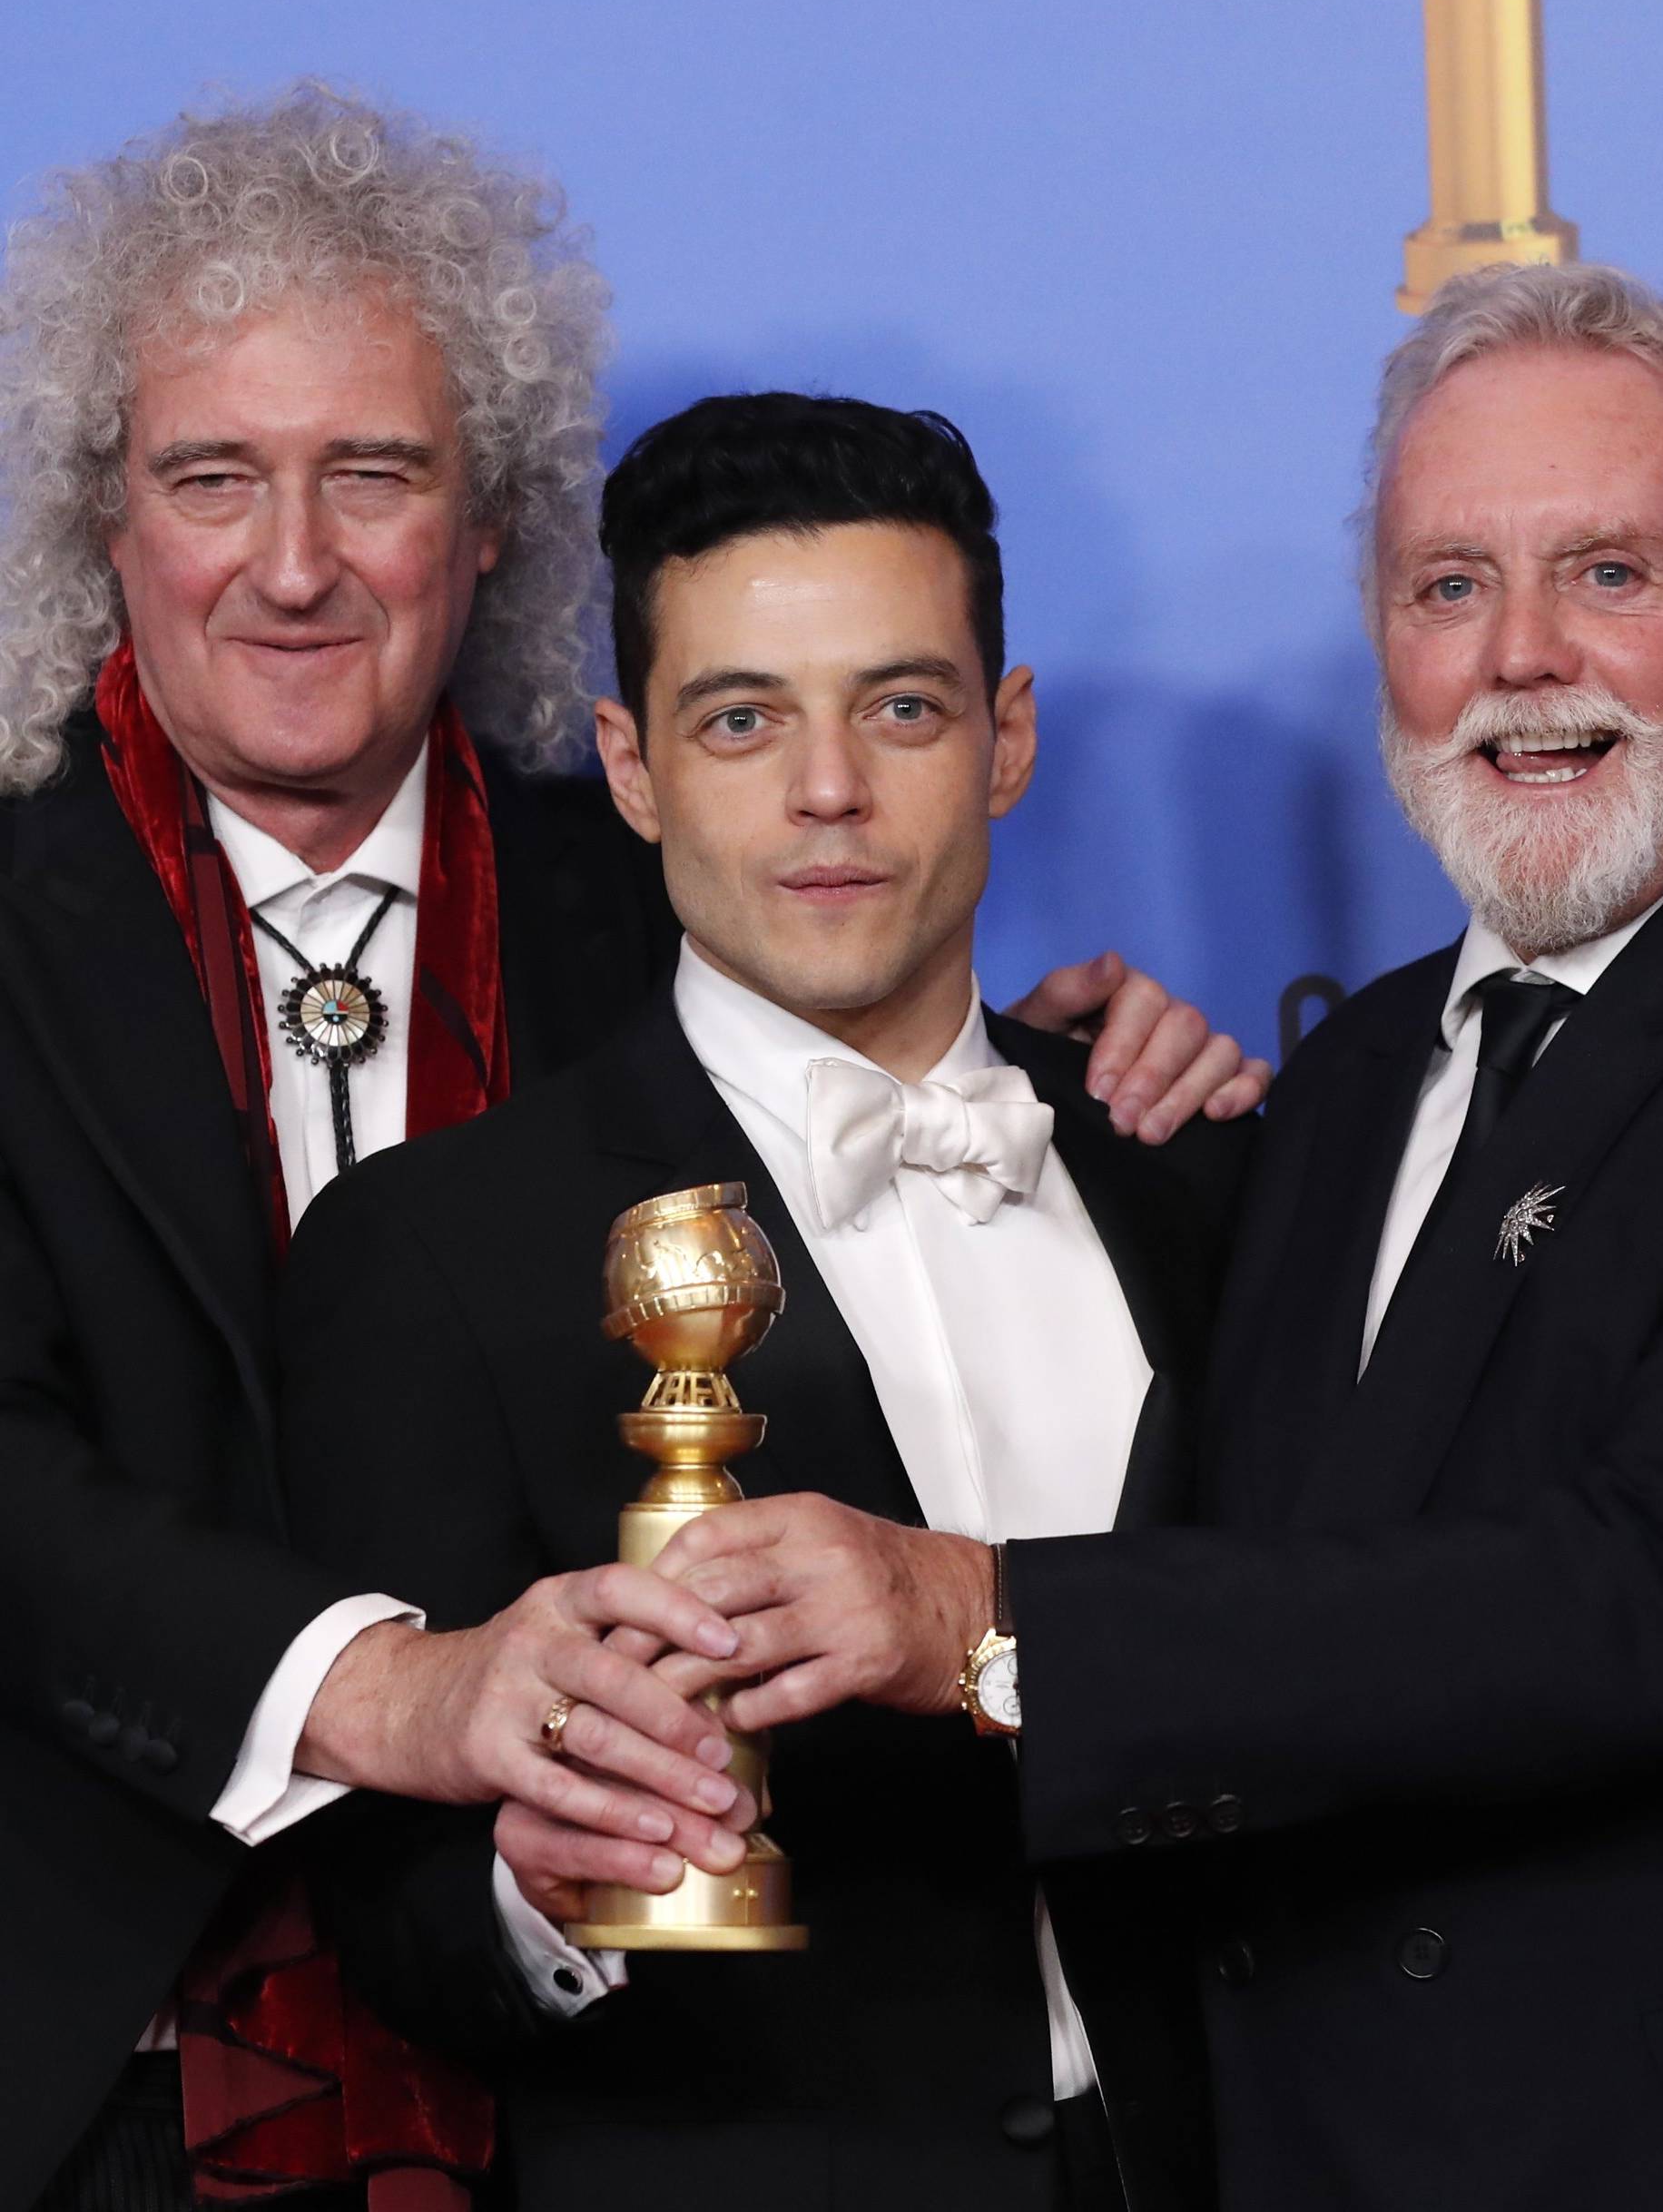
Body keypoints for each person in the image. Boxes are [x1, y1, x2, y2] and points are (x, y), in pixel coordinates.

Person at [0, 85, 1261, 2210]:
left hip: (642, 2093)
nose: (292, 563)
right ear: (102, 521)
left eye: (372, 476)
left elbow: (853, 1066)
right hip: (106, 2062)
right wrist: (389, 1693)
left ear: (485, 523)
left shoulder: (672, 881)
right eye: (212, 479)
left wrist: (1069, 1076)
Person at [634, 265, 1663, 2208]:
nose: (1521, 656)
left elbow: (1645, 1597)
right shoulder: (1327, 1092)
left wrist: (985, 1625)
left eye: (1615, 576)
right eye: (1448, 585)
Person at [278, 390, 1254, 2212]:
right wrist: (546, 1888)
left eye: (901, 706)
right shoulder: (429, 1254)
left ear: (1007, 736)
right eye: (742, 721)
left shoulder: (1205, 1182)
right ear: (631, 766)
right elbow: (392, 1922)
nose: (829, 792)